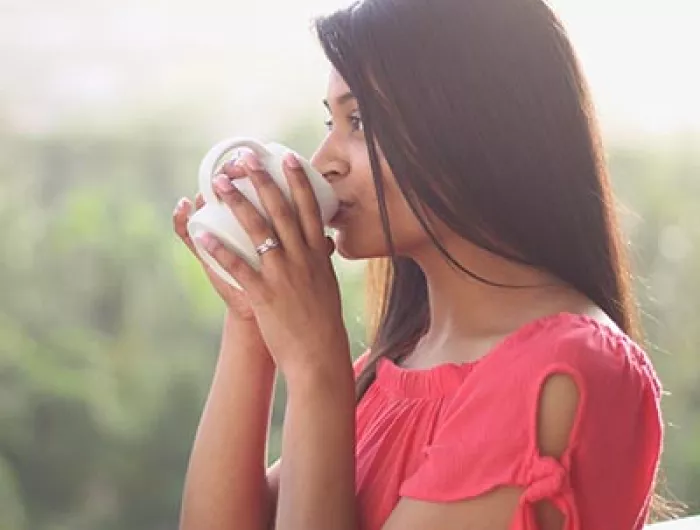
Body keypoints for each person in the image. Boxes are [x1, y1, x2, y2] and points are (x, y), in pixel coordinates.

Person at [173, 0, 663, 528]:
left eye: (358, 121)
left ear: (475, 127)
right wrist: (251, 318)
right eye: (331, 121)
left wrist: (316, 370)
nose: (323, 161)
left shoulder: (561, 373)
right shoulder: (396, 366)